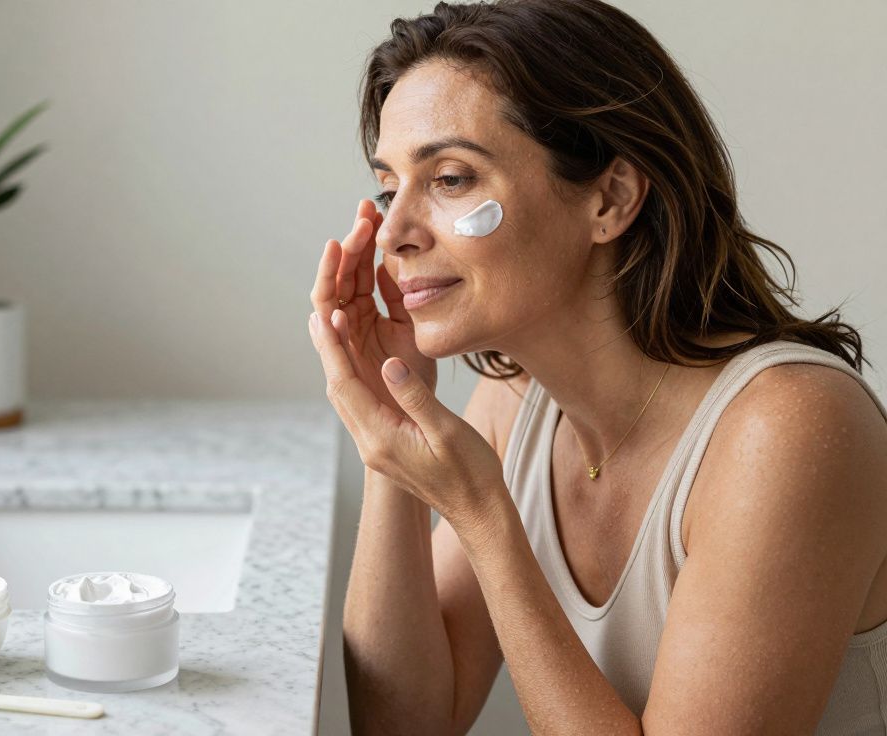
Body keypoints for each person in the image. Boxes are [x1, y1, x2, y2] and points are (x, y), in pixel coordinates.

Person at [306, 1, 887, 733]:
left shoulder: (790, 430)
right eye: (390, 188)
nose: (392, 233)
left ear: (610, 198)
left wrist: (486, 517)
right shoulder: (516, 400)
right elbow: (404, 724)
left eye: (450, 179)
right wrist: (390, 435)